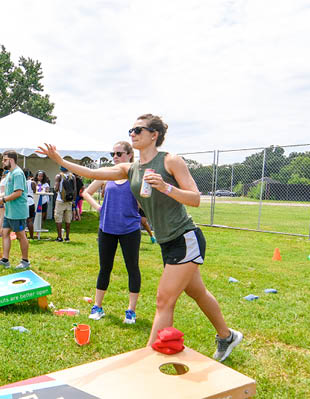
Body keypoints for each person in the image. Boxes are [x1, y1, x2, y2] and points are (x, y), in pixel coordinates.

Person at [37, 114, 243, 362]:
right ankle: (227, 335)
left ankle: (149, 358)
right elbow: (93, 172)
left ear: (153, 135)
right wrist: (60, 161)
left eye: (137, 130)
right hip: (168, 242)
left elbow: (195, 198)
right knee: (197, 292)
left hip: (185, 237)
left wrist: (166, 187)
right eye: (130, 130)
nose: (132, 134)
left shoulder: (170, 161)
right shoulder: (130, 169)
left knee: (164, 300)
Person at [81, 142, 142, 323]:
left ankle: (131, 310)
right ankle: (97, 306)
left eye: (119, 153)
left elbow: (145, 199)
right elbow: (86, 192)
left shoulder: (135, 176)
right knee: (104, 268)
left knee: (132, 268)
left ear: (130, 155)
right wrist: (98, 207)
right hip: (107, 228)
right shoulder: (107, 174)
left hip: (130, 229)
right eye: (112, 153)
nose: (114, 156)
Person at [0, 150, 31, 270]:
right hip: (10, 211)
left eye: (4, 160)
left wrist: (2, 200)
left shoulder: (17, 173)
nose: (2, 162)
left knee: (21, 235)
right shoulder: (10, 173)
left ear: (11, 160)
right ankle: (5, 260)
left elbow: (18, 193)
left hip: (18, 212)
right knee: (5, 233)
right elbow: (7, 192)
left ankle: (25, 261)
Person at [54, 166, 76, 242]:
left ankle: (59, 237)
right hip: (69, 201)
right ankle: (67, 237)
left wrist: (55, 187)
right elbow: (75, 189)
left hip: (60, 200)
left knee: (58, 219)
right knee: (68, 220)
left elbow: (56, 189)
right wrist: (73, 200)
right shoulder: (72, 176)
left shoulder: (58, 176)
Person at [24, 169, 36, 239]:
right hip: (31, 201)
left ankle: (23, 236)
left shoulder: (21, 182)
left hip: (23, 202)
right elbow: (35, 191)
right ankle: (31, 236)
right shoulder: (32, 183)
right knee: (30, 220)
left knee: (22, 220)